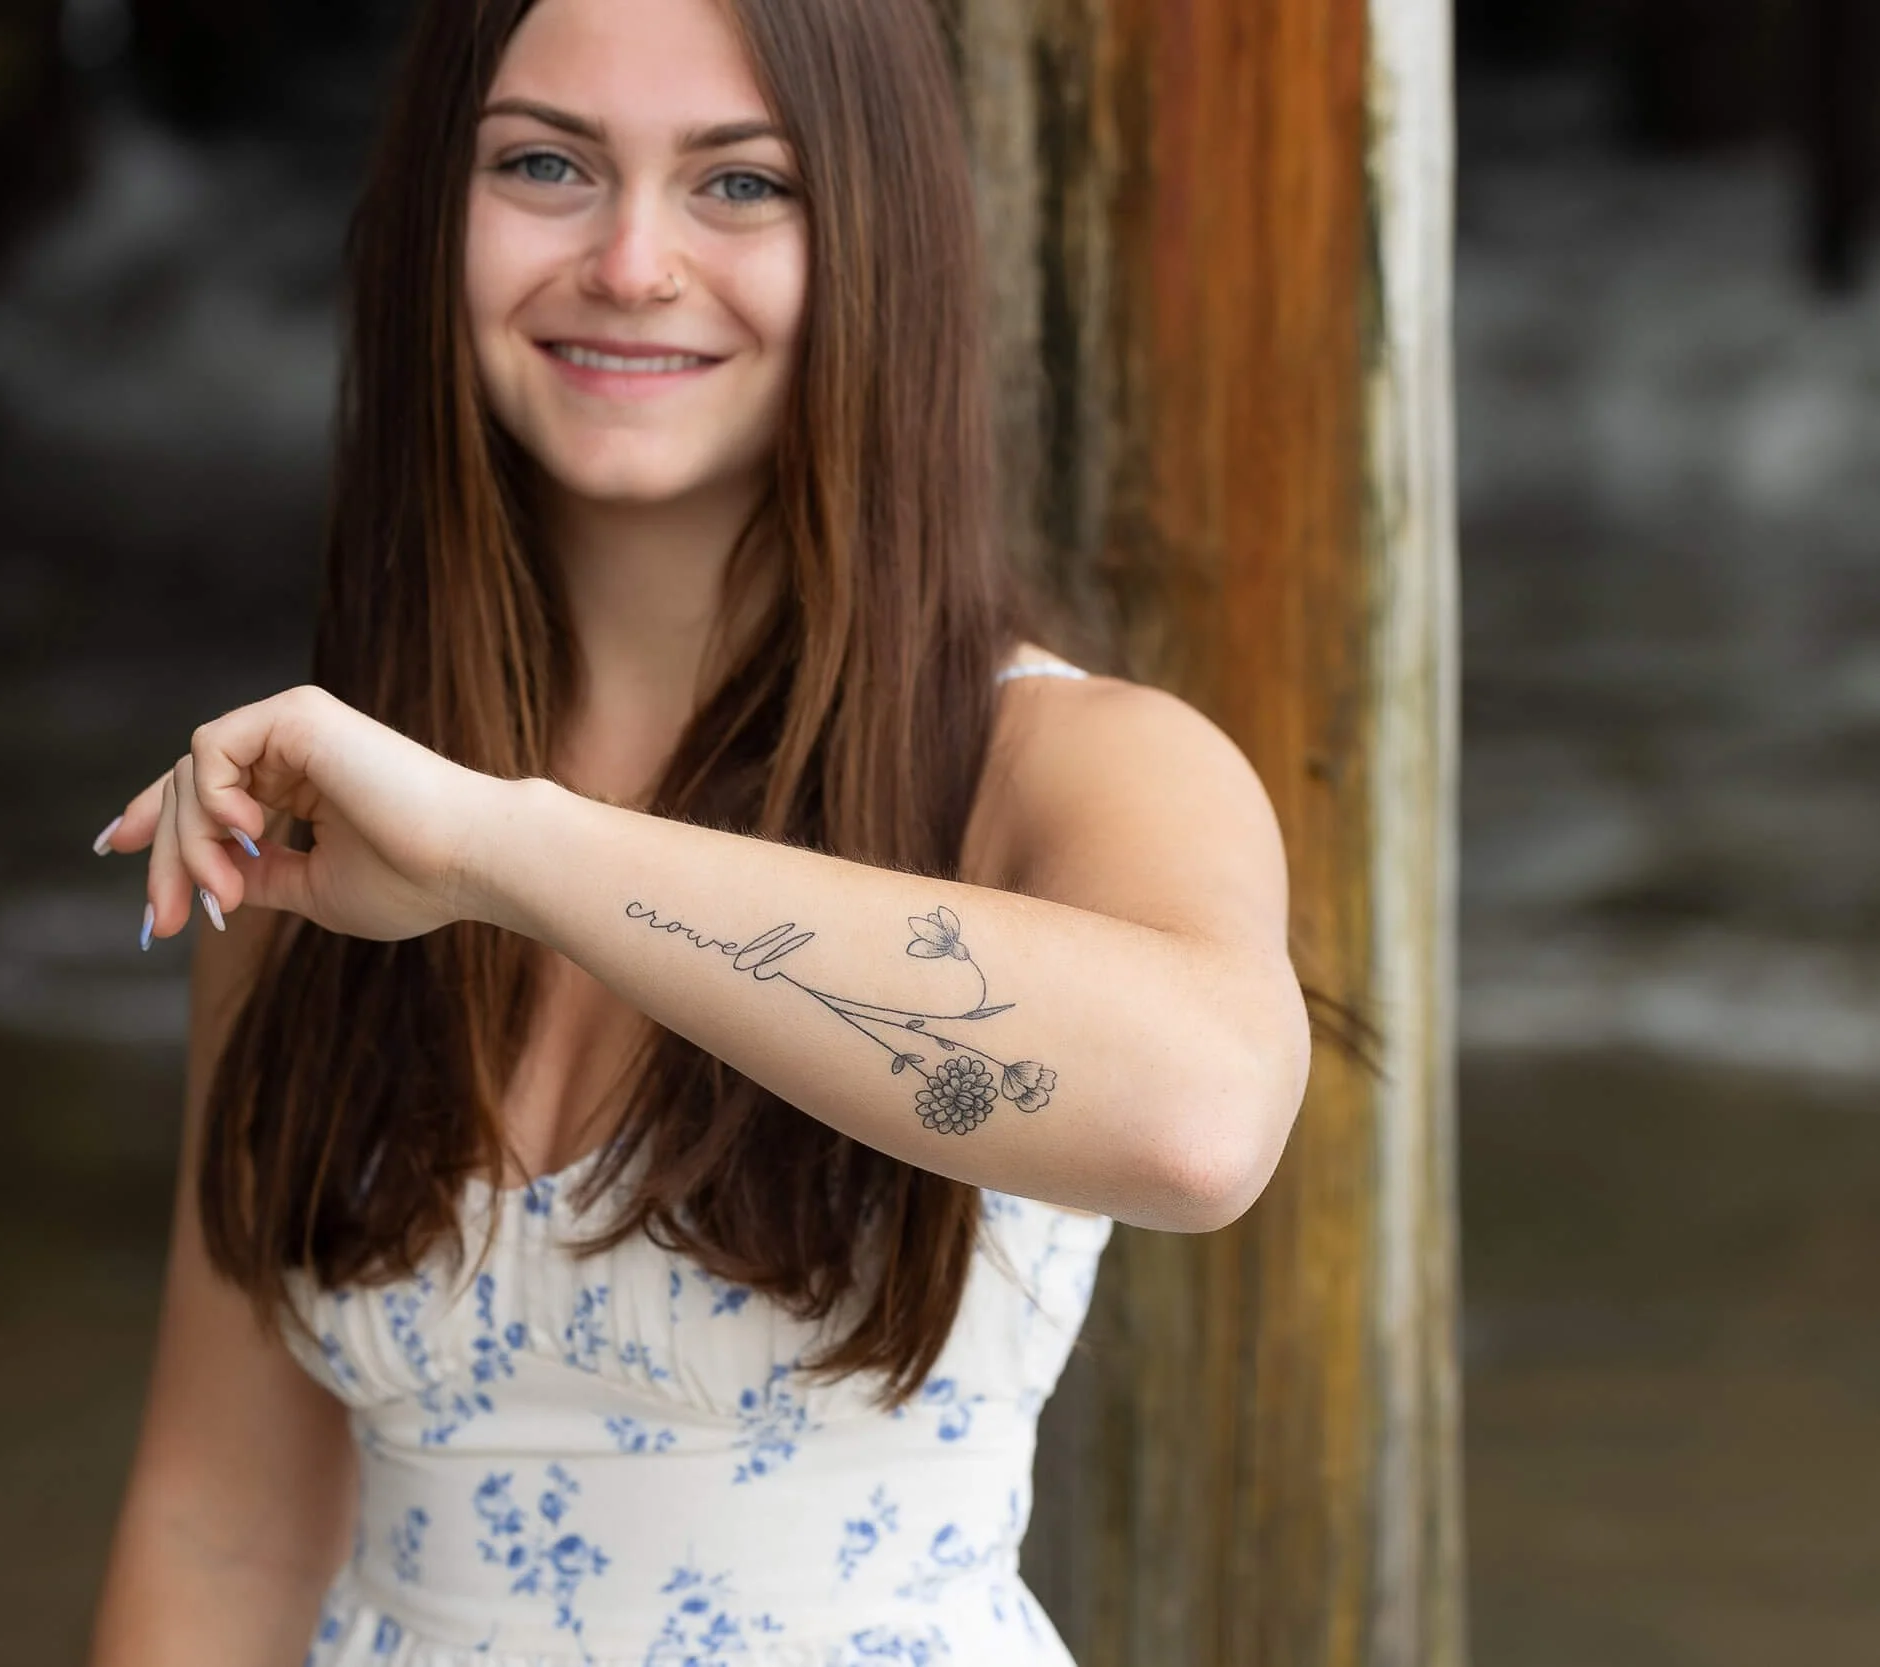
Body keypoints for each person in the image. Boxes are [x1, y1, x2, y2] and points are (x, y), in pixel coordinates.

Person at [86, 0, 1309, 1661]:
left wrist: (505, 853)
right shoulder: (322, 830)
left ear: (877, 237)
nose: (633, 261)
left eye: (741, 185)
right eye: (543, 164)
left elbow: (1203, 1121)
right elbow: (218, 1528)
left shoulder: (1070, 766)